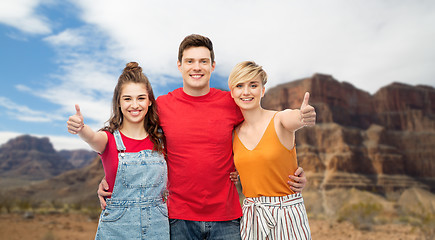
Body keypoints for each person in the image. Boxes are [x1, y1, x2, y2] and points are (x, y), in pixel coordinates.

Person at [98, 34, 308, 240]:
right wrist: (112, 177)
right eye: (190, 61)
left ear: (212, 66)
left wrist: (289, 170)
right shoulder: (162, 105)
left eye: (203, 61)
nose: (196, 67)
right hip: (179, 218)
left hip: (226, 218)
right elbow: (136, 139)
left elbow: (263, 130)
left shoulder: (232, 102)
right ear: (180, 65)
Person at [67, 62, 169, 239]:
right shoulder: (108, 139)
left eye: (141, 98)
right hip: (117, 229)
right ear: (119, 103)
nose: (134, 105)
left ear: (150, 100)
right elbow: (91, 137)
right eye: (127, 98)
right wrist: (81, 128)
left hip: (158, 227)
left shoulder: (161, 140)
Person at [228, 61, 314, 240]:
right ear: (232, 93)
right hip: (253, 216)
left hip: (287, 213)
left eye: (253, 85)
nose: (246, 91)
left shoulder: (280, 119)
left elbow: (295, 117)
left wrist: (302, 115)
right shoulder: (233, 135)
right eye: (240, 85)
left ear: (262, 90)